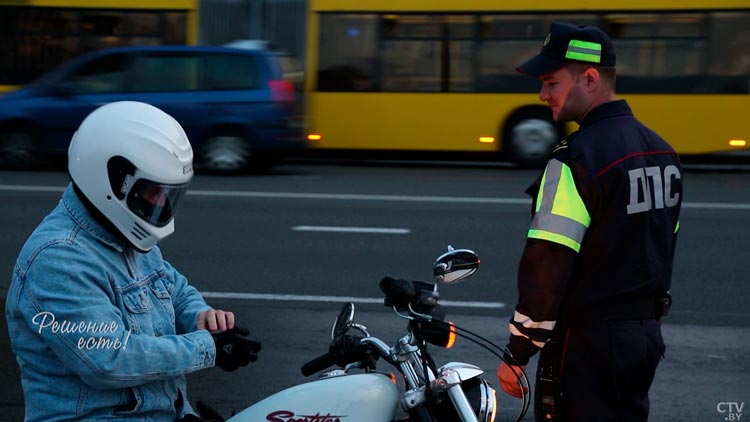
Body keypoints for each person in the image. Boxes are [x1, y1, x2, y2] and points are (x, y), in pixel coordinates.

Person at [5, 101, 261, 421]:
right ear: (113, 181)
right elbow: (110, 360)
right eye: (154, 191)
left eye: (169, 193)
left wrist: (203, 317)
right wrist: (207, 346)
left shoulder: (122, 234)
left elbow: (174, 289)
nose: (162, 203)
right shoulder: (58, 260)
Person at [495, 22, 682, 421]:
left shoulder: (575, 161)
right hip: (644, 339)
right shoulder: (663, 152)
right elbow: (660, 245)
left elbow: (547, 265)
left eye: (551, 82)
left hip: (589, 345)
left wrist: (518, 352)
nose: (542, 95)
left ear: (590, 78)